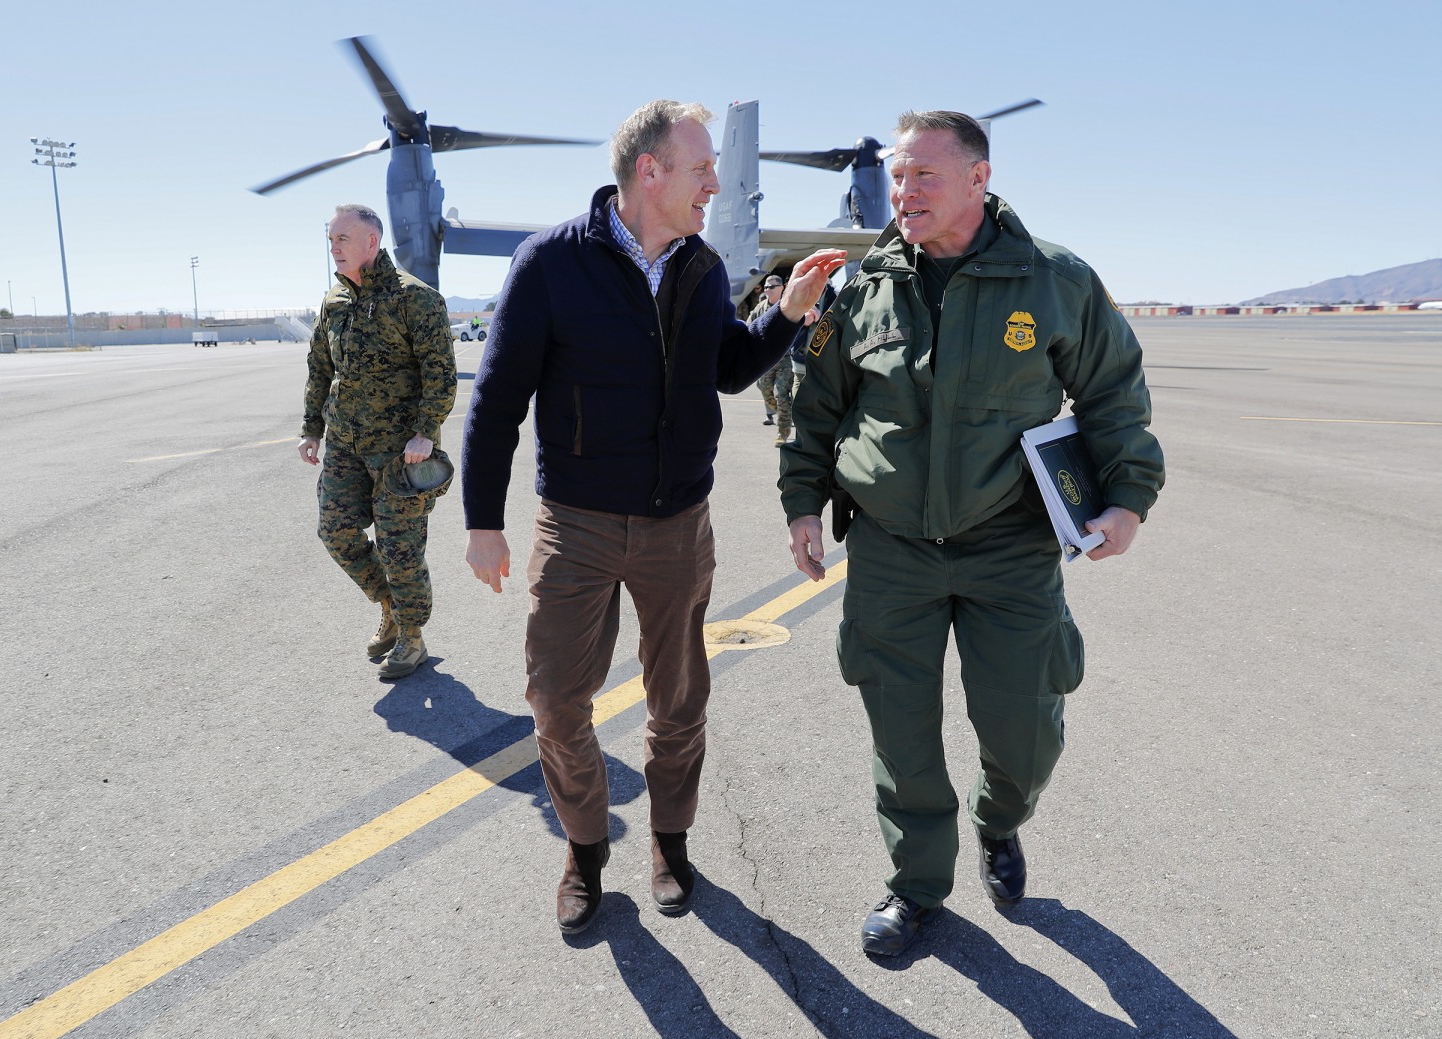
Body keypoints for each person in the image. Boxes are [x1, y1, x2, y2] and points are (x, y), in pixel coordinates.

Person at [779, 111, 1165, 957]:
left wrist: (1127, 501)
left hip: (1010, 546)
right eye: (896, 174)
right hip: (890, 548)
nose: (902, 191)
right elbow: (816, 408)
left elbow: (1114, 395)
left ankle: (1002, 820)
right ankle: (917, 884)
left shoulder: (1054, 280)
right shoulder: (864, 286)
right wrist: (803, 505)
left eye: (922, 175)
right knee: (902, 733)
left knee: (1023, 729)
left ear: (978, 179)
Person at [461, 99, 847, 934]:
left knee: (678, 697)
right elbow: (495, 401)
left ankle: (670, 841)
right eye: (701, 167)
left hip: (678, 523)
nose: (715, 182)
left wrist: (784, 315)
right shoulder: (549, 264)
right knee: (555, 696)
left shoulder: (701, 267)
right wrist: (483, 520)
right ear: (651, 172)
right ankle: (586, 847)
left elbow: (730, 368)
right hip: (577, 522)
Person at [298, 203, 457, 679]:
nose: (333, 248)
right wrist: (312, 428)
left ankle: (412, 636)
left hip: (400, 452)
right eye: (330, 240)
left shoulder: (417, 299)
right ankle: (388, 603)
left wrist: (426, 432)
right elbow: (320, 369)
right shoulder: (334, 302)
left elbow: (441, 373)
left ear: (371, 242)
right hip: (346, 442)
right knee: (335, 531)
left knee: (399, 546)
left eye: (342, 239)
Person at [750, 276, 792, 442]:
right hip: (766, 359)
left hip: (785, 359)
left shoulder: (788, 305)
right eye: (766, 287)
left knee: (780, 393)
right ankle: (786, 412)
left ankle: (782, 432)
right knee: (765, 389)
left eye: (772, 287)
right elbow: (749, 328)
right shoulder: (760, 308)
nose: (768, 289)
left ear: (782, 288)